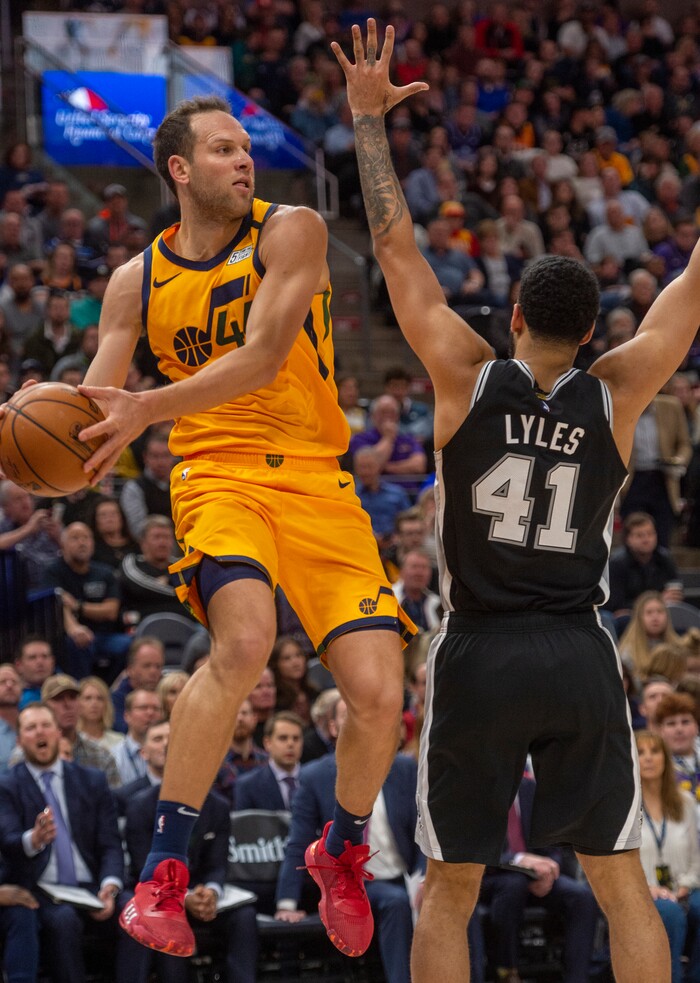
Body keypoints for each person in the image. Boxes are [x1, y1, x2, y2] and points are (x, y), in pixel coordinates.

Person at [331, 19, 697, 982]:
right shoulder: (618, 392)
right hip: (579, 646)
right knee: (623, 882)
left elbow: (395, 247)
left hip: (481, 648)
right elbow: (689, 291)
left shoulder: (465, 374)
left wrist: (369, 122)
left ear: (520, 317)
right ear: (587, 335)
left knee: (447, 887)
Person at [45, 92, 413, 960]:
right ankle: (163, 872)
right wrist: (52, 446)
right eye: (222, 149)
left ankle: (343, 849)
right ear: (178, 169)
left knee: (380, 692)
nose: (243, 160)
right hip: (216, 472)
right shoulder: (134, 280)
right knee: (243, 642)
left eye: (245, 148)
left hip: (319, 480)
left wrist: (143, 407)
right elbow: (99, 412)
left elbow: (259, 357)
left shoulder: (293, 230)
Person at [0, 702, 125, 983]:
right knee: (63, 919)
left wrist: (110, 886)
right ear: (20, 741)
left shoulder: (92, 781)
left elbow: (110, 843)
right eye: (30, 728)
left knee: (132, 910)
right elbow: (7, 841)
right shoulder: (7, 785)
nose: (39, 732)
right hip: (43, 889)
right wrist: (35, 839)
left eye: (45, 725)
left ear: (59, 733)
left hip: (92, 886)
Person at [479, 775, 600, 983]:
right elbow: (475, 850)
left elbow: (554, 841)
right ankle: (506, 971)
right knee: (513, 885)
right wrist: (519, 861)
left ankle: (577, 978)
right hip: (488, 876)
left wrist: (549, 870)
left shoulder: (530, 788)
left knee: (581, 896)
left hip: (534, 876)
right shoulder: (473, 789)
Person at [636, 730, 700, 983]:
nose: (649, 758)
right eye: (641, 752)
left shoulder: (684, 801)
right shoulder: (624, 806)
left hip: (685, 886)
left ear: (666, 757)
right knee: (669, 913)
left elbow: (697, 857)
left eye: (655, 751)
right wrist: (647, 887)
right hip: (643, 891)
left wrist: (684, 885)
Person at [235, 710, 304, 811]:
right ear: (267, 743)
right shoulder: (248, 786)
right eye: (283, 738)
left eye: (296, 738)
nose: (290, 744)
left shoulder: (316, 780)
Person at [618, 592, 682, 683]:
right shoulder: (627, 652)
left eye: (660, 611)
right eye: (649, 612)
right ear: (639, 618)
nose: (655, 617)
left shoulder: (679, 647)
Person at [78, 675, 124, 752]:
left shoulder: (120, 741)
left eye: (100, 698)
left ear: (106, 704)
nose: (94, 704)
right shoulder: (71, 740)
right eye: (88, 698)